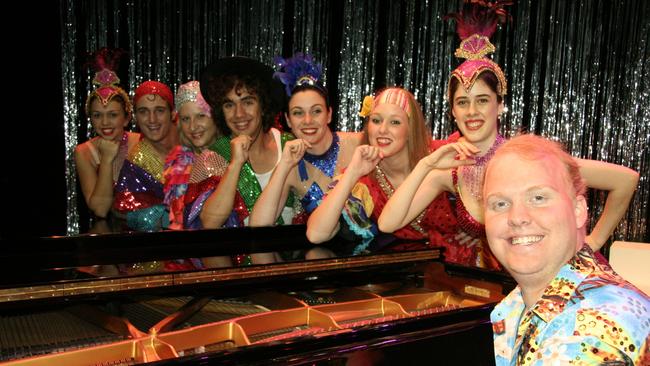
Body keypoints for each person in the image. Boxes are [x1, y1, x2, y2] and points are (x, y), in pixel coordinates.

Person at [378, 1, 639, 269]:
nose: (472, 112)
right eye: (462, 103)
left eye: (482, 100)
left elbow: (626, 180)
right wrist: (426, 165)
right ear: (452, 111)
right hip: (505, 281)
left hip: (554, 277)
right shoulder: (450, 169)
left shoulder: (526, 158)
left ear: (500, 105)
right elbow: (388, 223)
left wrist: (593, 241)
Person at [483, 134, 649, 365]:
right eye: (500, 204)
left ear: (579, 210)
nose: (517, 218)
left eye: (538, 197)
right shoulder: (516, 305)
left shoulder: (589, 331)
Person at [306, 87, 470, 257]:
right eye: (376, 120)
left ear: (410, 130)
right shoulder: (365, 180)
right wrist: (352, 173)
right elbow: (316, 234)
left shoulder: (442, 156)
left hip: (463, 264)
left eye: (395, 122)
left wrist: (477, 228)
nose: (382, 130)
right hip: (411, 270)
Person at [250, 53, 361, 228]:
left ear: (329, 114)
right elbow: (258, 224)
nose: (308, 120)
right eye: (298, 113)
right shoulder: (291, 169)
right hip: (323, 252)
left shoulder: (359, 144)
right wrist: (285, 164)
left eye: (316, 111)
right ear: (288, 120)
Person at [199, 57, 297, 230]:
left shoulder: (291, 147)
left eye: (248, 102)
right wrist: (235, 164)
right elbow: (209, 223)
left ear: (263, 105)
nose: (239, 114)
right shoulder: (211, 157)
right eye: (229, 105)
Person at [74, 48, 139, 219]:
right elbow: (100, 210)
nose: (104, 123)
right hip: (107, 236)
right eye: (97, 115)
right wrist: (107, 159)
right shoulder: (84, 152)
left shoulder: (141, 142)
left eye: (112, 115)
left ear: (126, 118)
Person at [113, 80, 179, 231]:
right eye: (143, 111)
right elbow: (122, 211)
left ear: (173, 113)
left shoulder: (192, 138)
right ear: (135, 116)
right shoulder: (136, 163)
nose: (152, 119)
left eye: (160, 110)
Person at [163, 80, 227, 230]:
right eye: (186, 119)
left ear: (216, 118)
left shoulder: (231, 156)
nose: (192, 127)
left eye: (201, 116)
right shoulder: (176, 160)